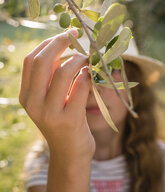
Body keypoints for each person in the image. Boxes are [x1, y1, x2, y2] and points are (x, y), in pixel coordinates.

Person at [19, 27, 165, 192]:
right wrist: (70, 156)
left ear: (134, 86)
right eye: (77, 72)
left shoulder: (161, 159)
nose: (93, 87)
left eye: (109, 69)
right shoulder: (45, 161)